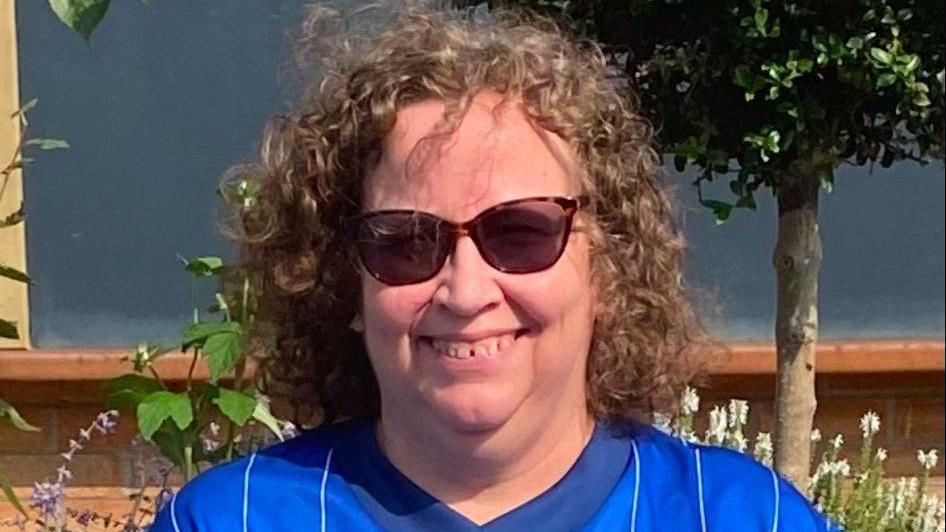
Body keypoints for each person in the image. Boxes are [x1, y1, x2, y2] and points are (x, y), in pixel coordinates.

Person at [152, 4, 839, 531]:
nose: (466, 289)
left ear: (607, 262)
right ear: (345, 279)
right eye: (406, 241)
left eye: (520, 231)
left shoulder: (740, 517)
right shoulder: (231, 519)